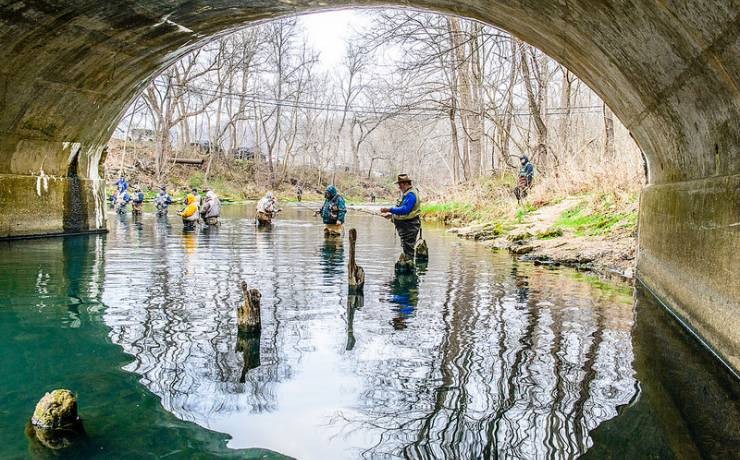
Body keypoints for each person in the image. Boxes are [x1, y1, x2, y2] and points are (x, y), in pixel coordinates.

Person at [380, 174, 421, 260]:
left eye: (400, 184)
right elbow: (405, 212)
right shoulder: (407, 193)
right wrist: (391, 216)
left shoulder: (411, 194)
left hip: (410, 227)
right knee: (406, 248)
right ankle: (408, 265)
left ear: (405, 183)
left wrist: (389, 209)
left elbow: (406, 210)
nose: (399, 187)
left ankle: (409, 268)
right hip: (407, 226)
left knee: (408, 250)